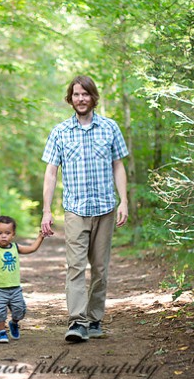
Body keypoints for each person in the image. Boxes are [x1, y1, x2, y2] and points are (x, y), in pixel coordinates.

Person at [40, 75, 129, 343]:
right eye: (76, 94)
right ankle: (77, 321)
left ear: (93, 97)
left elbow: (118, 166)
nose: (81, 99)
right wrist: (46, 210)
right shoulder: (60, 132)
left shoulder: (110, 128)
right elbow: (51, 173)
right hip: (75, 210)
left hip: (105, 208)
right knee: (75, 267)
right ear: (70, 99)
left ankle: (95, 318)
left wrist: (123, 200)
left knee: (100, 268)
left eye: (85, 94)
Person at [0, 216, 46, 343]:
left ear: (13, 235)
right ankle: (1, 332)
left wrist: (41, 237)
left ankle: (14, 323)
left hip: (15, 288)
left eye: (7, 233)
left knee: (20, 310)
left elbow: (32, 248)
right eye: (0, 233)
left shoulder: (16, 247)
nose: (3, 236)